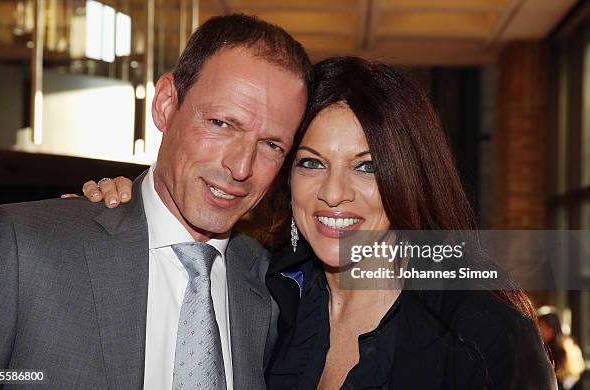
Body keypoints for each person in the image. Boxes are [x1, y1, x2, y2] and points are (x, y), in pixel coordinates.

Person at [83, 57, 557, 389]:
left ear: (409, 176)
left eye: (366, 166)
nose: (334, 193)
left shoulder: (483, 333)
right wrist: (121, 208)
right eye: (311, 163)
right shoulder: (265, 293)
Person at [0, 14, 311, 389]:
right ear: (166, 104)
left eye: (271, 145)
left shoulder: (274, 288)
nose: (240, 167)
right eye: (221, 123)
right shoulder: (25, 248)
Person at [538, 308, 585, 389]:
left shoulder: (563, 347)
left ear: (551, 328)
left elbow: (570, 377)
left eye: (542, 327)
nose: (539, 331)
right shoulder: (543, 346)